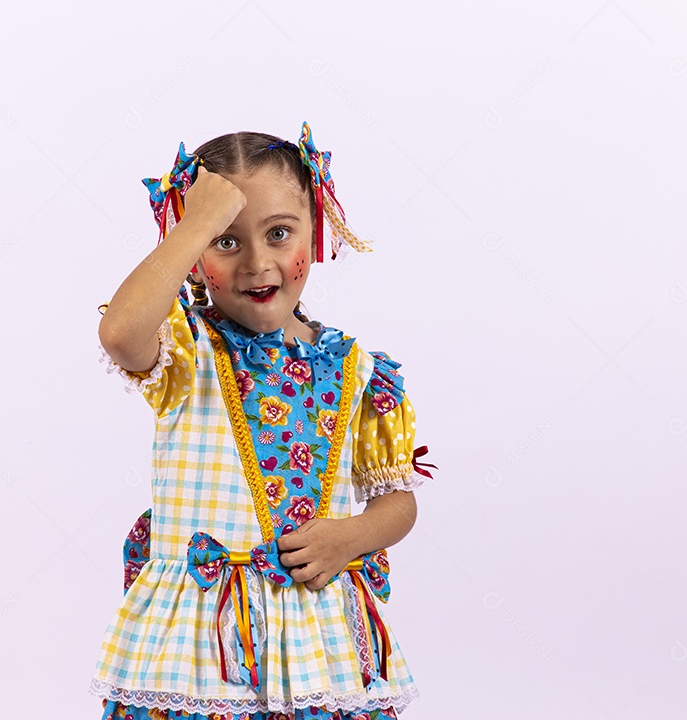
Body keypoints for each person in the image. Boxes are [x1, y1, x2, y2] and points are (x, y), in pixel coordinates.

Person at [90, 121, 436, 719]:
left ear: (315, 227)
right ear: (194, 254)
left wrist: (351, 536)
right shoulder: (184, 352)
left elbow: (397, 501)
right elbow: (119, 333)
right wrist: (196, 222)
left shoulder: (357, 371)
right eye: (226, 241)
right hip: (202, 648)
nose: (258, 262)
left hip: (316, 640)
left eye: (280, 234)